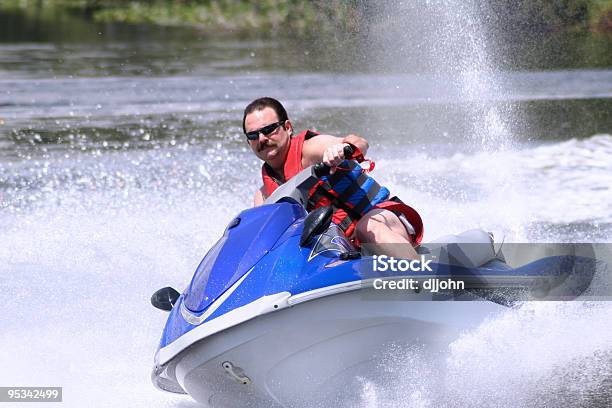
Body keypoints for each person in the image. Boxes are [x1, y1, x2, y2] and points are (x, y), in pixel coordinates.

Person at [243, 97, 423, 259]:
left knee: (365, 228)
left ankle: (424, 279)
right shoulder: (264, 197)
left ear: (288, 128)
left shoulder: (312, 150)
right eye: (253, 135)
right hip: (343, 250)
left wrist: (343, 148)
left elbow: (360, 142)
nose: (261, 139)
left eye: (268, 130)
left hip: (385, 221)